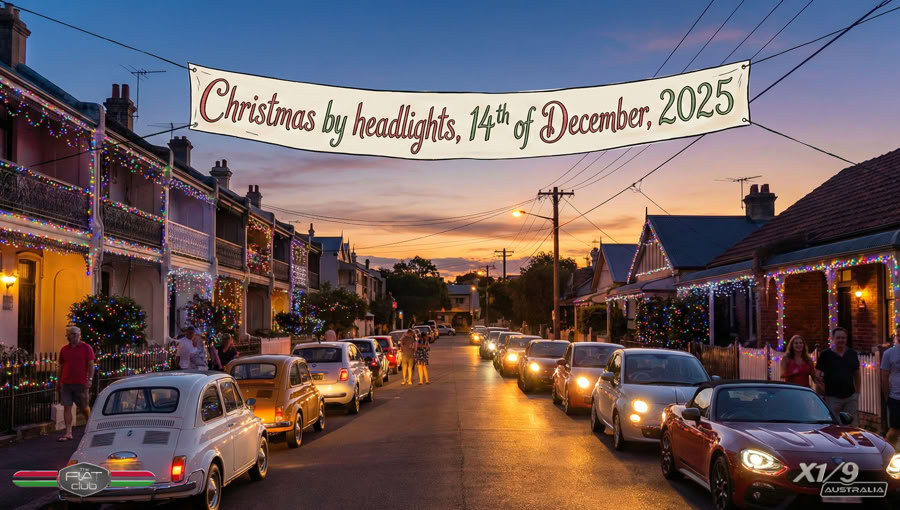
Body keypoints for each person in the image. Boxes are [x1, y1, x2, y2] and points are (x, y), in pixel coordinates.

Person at [56, 326, 95, 442]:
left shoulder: (86, 348)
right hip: (66, 383)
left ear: (79, 335)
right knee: (67, 407)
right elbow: (61, 366)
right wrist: (58, 381)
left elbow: (91, 365)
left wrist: (90, 379)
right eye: (70, 334)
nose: (72, 336)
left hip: (81, 383)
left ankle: (90, 427)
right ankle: (68, 432)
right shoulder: (64, 350)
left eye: (74, 334)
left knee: (84, 407)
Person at [816, 327, 861, 425]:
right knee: (834, 426)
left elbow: (857, 374)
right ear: (833, 339)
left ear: (846, 339)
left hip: (850, 397)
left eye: (843, 338)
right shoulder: (825, 355)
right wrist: (822, 390)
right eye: (838, 338)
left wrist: (857, 393)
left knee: (852, 427)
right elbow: (817, 375)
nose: (841, 340)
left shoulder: (852, 354)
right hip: (832, 398)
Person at [881, 332, 900, 448]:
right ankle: (890, 452)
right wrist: (886, 396)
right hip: (895, 397)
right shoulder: (889, 353)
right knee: (894, 429)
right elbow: (884, 376)